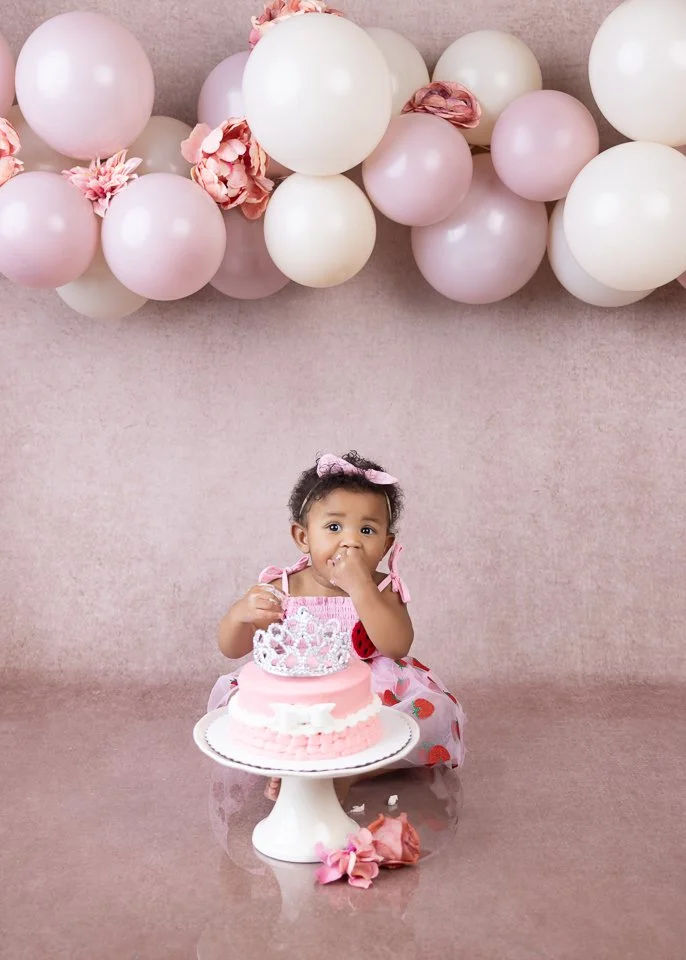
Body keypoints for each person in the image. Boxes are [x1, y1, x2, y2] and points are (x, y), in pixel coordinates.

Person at [208, 451, 466, 799]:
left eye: (367, 530)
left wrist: (361, 588)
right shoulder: (282, 586)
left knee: (434, 713)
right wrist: (240, 614)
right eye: (334, 527)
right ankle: (288, 766)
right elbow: (231, 648)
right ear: (303, 537)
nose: (351, 541)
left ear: (386, 545)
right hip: (295, 692)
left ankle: (356, 772)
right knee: (242, 708)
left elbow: (397, 646)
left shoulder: (382, 587)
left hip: (368, 691)